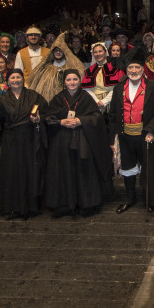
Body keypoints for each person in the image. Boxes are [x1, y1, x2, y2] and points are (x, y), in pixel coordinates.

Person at [110, 47, 154, 213]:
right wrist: (113, 139)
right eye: (131, 67)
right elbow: (112, 115)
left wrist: (152, 131)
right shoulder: (118, 88)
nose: (134, 71)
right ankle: (130, 199)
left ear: (142, 69)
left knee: (148, 170)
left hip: (146, 136)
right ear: (126, 69)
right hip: (125, 136)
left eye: (137, 68)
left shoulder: (153, 88)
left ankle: (150, 199)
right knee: (128, 168)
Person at [42, 69, 114, 217]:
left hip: (83, 141)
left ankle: (86, 203)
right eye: (69, 80)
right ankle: (65, 203)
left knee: (83, 171)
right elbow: (48, 117)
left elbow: (97, 117)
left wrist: (81, 120)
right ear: (64, 82)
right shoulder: (58, 98)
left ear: (79, 81)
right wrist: (61, 121)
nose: (72, 82)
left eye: (75, 79)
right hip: (61, 142)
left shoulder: (86, 98)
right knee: (64, 171)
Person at [0, 69, 46, 219]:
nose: (15, 80)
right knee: (12, 172)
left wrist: (39, 119)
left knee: (30, 170)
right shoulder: (1, 101)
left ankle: (31, 205)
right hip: (10, 141)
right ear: (7, 82)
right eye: (12, 78)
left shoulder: (34, 96)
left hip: (29, 139)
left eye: (18, 77)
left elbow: (47, 113)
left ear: (23, 79)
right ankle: (12, 205)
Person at [26, 32, 86, 103]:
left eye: (60, 50)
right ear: (52, 52)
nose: (58, 52)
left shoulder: (72, 68)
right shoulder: (45, 69)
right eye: (56, 50)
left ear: (65, 52)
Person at [82, 42, 124, 112]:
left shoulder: (115, 68)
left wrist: (104, 101)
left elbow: (118, 87)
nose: (98, 54)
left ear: (105, 52)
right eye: (95, 52)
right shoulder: (89, 70)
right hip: (94, 104)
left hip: (112, 102)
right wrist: (97, 101)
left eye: (100, 51)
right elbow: (86, 88)